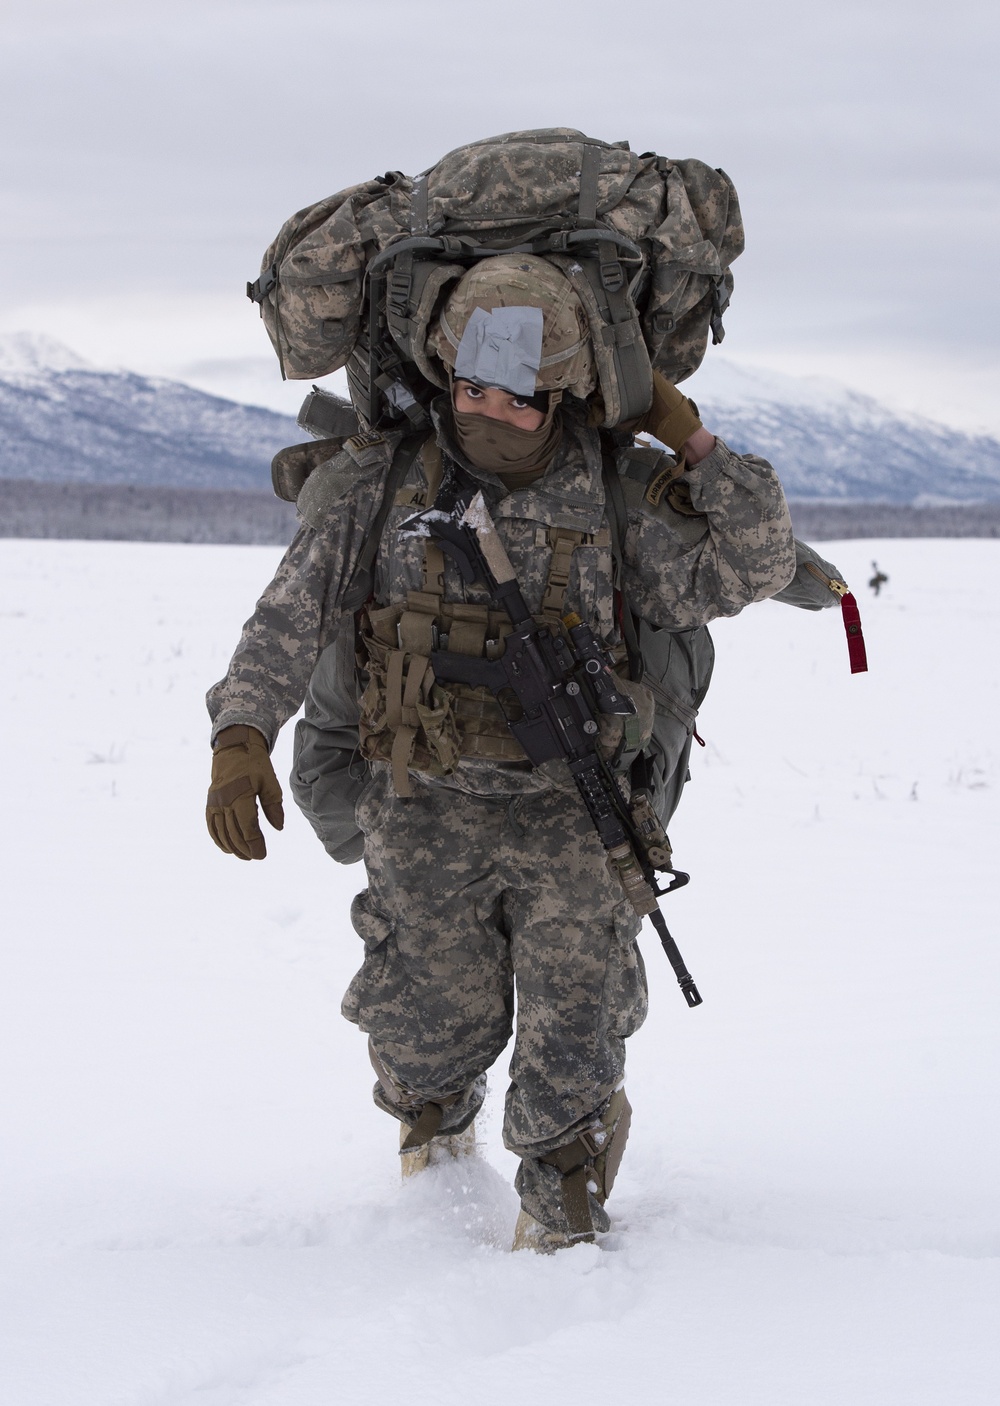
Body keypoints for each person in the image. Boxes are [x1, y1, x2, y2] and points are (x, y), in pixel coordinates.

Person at [206, 254, 797, 1251]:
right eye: (468, 388)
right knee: (420, 1024)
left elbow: (756, 564)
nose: (485, 411)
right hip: (421, 799)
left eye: (513, 397)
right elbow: (291, 609)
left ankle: (565, 1165)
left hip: (575, 809)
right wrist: (240, 731)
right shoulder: (384, 479)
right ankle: (432, 1115)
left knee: (574, 1018)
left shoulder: (616, 492)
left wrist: (685, 432)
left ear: (560, 392)